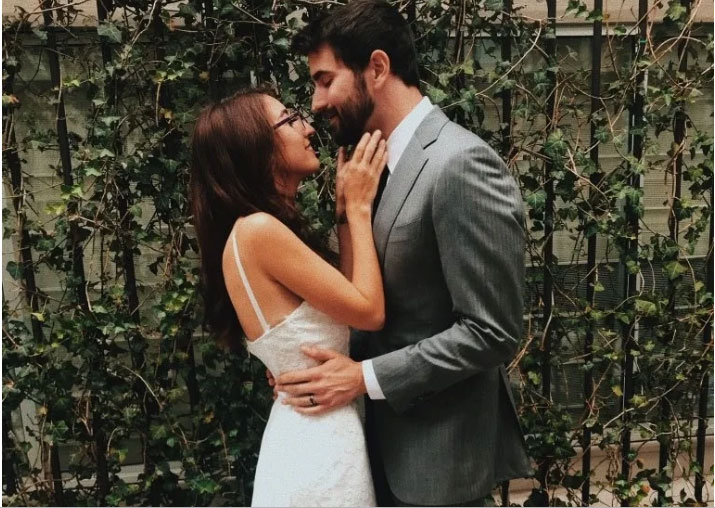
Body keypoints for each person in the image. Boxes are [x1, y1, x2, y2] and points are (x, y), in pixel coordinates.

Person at [274, 1, 532, 505]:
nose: (317, 102)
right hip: (368, 455)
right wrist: (303, 366)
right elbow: (368, 305)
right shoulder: (366, 166)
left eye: (325, 80)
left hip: (438, 467)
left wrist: (362, 378)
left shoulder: (460, 164)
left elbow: (492, 331)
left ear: (377, 68)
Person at [189, 88, 388, 506]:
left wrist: (343, 213)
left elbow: (348, 302)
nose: (308, 127)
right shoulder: (258, 230)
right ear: (256, 146)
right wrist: (359, 208)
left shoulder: (253, 231)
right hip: (318, 448)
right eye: (290, 120)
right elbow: (369, 312)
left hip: (312, 434)